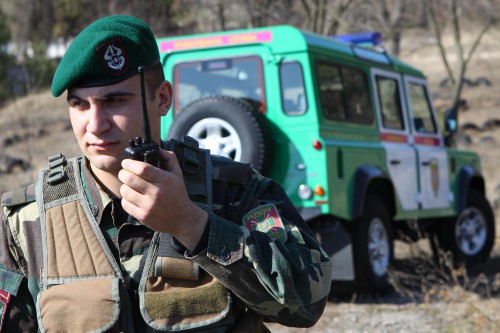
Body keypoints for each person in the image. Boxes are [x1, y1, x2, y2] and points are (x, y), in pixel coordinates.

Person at [0, 15, 332, 332]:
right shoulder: (24, 221)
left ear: (162, 99)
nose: (95, 125)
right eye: (80, 105)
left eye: (115, 101)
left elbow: (307, 305)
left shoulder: (235, 192)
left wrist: (192, 225)